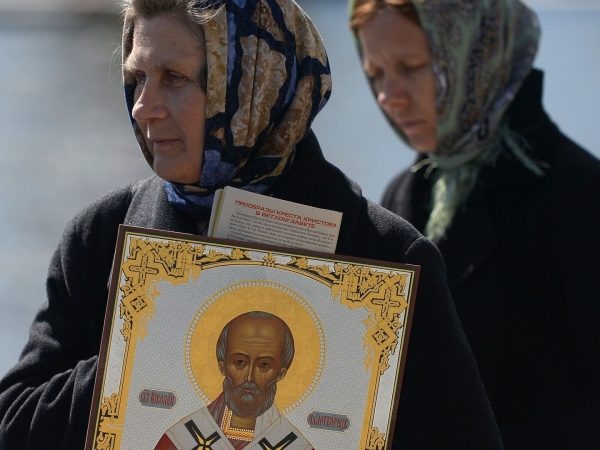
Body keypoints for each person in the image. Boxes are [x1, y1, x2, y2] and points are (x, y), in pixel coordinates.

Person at [0, 0, 504, 449]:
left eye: (174, 79)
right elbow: (13, 423)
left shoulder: (384, 256)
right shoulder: (101, 235)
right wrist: (136, 354)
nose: (143, 107)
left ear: (252, 83)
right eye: (138, 78)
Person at [349, 0, 600, 449]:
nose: (388, 96)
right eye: (376, 74)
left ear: (478, 54)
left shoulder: (579, 194)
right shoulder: (403, 196)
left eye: (411, 67)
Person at [155, 311, 312, 450]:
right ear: (222, 366)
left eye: (264, 365)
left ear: (281, 373)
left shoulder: (295, 446)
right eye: (240, 362)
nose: (249, 377)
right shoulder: (182, 440)